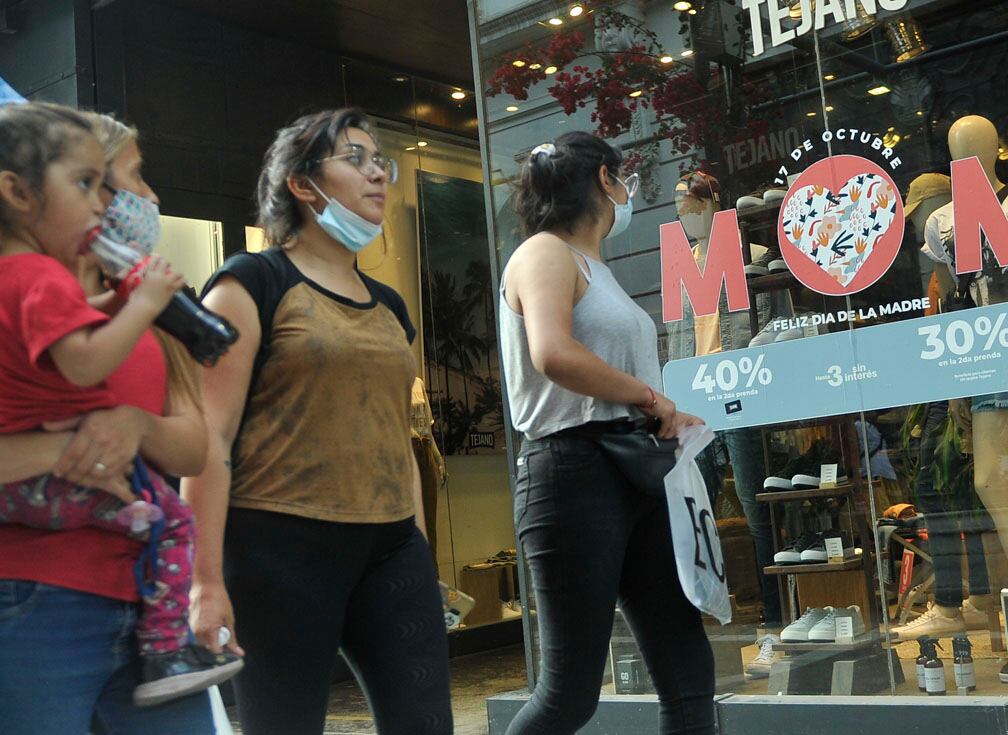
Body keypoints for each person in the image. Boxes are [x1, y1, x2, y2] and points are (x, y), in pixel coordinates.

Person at [183, 108, 452, 735]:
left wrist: (417, 544)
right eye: (354, 158)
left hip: (390, 550)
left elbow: (394, 434)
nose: (378, 174)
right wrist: (203, 580)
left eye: (379, 160)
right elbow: (209, 440)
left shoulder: (389, 306)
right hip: (278, 547)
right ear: (303, 184)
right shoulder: (250, 283)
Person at [0, 106, 218, 733]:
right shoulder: (35, 289)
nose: (141, 198)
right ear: (22, 190)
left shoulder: (142, 315)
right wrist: (75, 445)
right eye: (120, 179)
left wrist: (135, 425)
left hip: (145, 607)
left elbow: (193, 448)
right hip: (34, 598)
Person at [499, 131, 714, 734]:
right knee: (570, 693)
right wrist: (650, 397)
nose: (629, 192)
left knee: (687, 671)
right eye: (624, 178)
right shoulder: (545, 253)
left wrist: (659, 413)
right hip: (572, 472)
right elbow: (553, 354)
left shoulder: (597, 267)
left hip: (634, 464)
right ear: (604, 180)